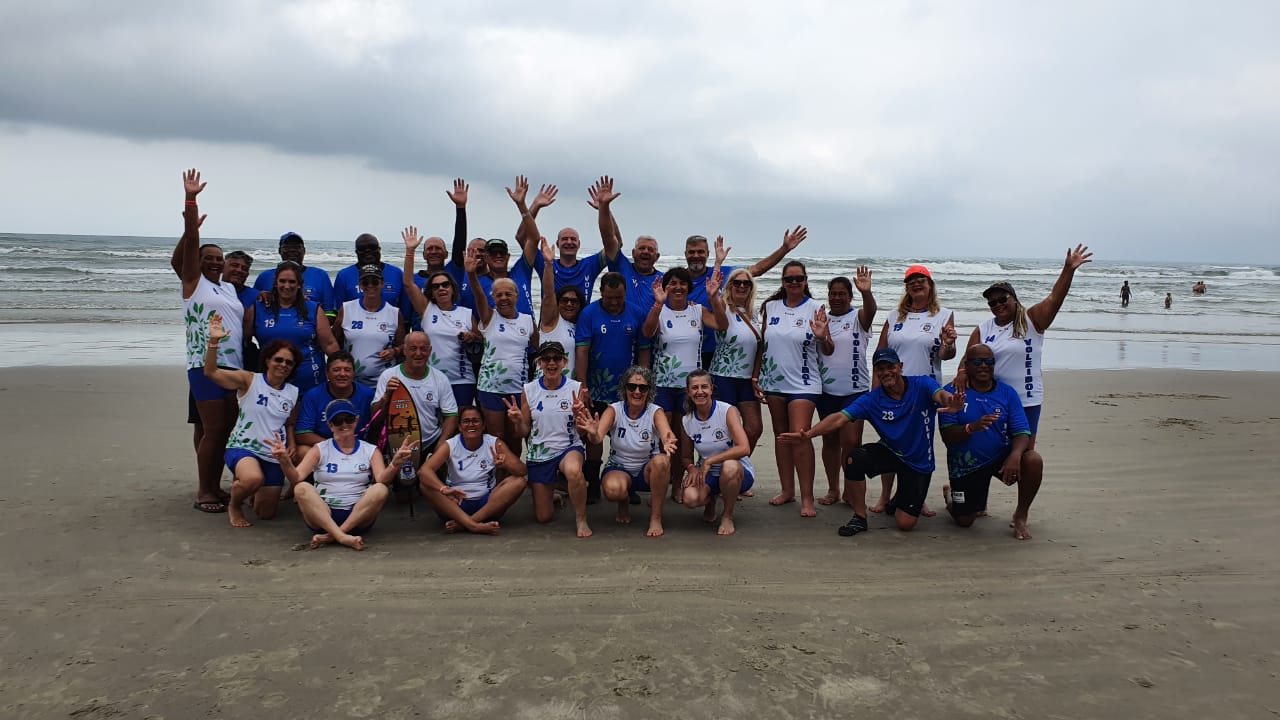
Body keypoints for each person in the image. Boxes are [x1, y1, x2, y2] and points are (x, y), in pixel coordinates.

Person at [782, 348, 963, 535]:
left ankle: (897, 500)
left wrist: (950, 401)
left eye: (890, 366)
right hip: (891, 452)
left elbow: (940, 395)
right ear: (875, 372)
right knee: (854, 458)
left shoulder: (922, 384)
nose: (886, 372)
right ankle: (859, 517)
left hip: (918, 462)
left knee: (905, 524)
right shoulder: (871, 400)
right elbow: (838, 418)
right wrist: (809, 434)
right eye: (880, 368)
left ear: (900, 367)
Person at [965, 245, 1093, 458]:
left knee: (1023, 458)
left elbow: (1054, 299)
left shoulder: (1031, 320)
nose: (997, 305)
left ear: (1014, 299)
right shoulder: (984, 328)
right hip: (991, 400)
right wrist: (961, 376)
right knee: (983, 453)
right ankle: (961, 489)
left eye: (1002, 299)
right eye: (992, 302)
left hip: (1026, 400)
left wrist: (1068, 270)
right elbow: (967, 360)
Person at [174, 169, 245, 513]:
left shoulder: (228, 287)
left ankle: (214, 487)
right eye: (209, 258)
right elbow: (187, 247)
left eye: (220, 259)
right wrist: (191, 205)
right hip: (205, 365)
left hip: (232, 365)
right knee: (216, 429)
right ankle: (205, 492)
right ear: (198, 263)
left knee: (217, 429)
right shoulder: (194, 284)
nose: (215, 263)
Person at [269, 399, 415, 550]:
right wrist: (284, 461)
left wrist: (395, 464)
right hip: (322, 515)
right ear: (330, 425)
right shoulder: (320, 449)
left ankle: (333, 536)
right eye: (338, 421)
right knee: (301, 488)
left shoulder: (370, 450)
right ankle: (342, 537)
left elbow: (382, 479)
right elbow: (296, 477)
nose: (344, 424)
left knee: (380, 489)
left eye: (349, 419)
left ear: (356, 420)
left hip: (359, 516)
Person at [872, 264, 957, 517]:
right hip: (891, 388)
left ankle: (916, 496)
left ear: (930, 285)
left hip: (924, 390)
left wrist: (949, 344)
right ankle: (885, 495)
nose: (916, 284)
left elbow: (946, 354)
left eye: (921, 280)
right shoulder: (894, 316)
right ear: (906, 288)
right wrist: (875, 391)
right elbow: (880, 354)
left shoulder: (943, 315)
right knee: (889, 441)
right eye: (911, 281)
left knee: (921, 445)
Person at [203, 312, 301, 529]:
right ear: (267, 360)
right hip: (243, 447)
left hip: (273, 454)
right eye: (278, 359)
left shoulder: (293, 392)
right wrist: (214, 341)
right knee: (252, 478)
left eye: (289, 362)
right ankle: (235, 504)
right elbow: (210, 372)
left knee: (265, 513)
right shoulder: (249, 380)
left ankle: (251, 491)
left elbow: (289, 423)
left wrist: (291, 444)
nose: (283, 365)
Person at [938, 344, 1043, 540]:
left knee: (1033, 460)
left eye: (989, 361)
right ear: (966, 365)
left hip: (999, 459)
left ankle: (1020, 514)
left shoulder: (1007, 393)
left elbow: (1022, 431)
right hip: (966, 467)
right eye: (977, 362)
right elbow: (948, 436)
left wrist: (1015, 454)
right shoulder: (951, 392)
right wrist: (972, 427)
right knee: (964, 521)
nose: (984, 366)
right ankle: (950, 496)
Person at [644, 265, 727, 499]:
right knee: (664, 436)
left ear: (689, 288)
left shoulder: (697, 310)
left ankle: (678, 486)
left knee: (684, 436)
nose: (678, 287)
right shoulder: (659, 310)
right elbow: (648, 333)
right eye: (673, 283)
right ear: (665, 287)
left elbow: (722, 325)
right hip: (662, 383)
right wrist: (658, 303)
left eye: (682, 283)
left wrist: (714, 297)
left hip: (690, 386)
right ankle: (660, 485)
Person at [574, 271, 652, 503]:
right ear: (602, 294)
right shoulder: (588, 314)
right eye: (609, 298)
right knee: (594, 437)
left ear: (625, 293)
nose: (614, 302)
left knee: (628, 437)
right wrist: (583, 386)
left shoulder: (637, 312)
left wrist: (644, 380)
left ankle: (629, 483)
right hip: (597, 389)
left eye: (618, 297)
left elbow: (644, 349)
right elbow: (582, 351)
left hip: (627, 390)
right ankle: (593, 484)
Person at [755, 260, 825, 517]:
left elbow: (827, 349)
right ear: (782, 283)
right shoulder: (770, 306)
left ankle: (807, 498)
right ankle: (787, 491)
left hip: (804, 383)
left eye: (799, 279)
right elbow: (763, 346)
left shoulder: (816, 308)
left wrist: (822, 337)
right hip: (774, 382)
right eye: (789, 279)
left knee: (799, 435)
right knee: (781, 437)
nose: (794, 283)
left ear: (805, 281)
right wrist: (756, 377)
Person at [576, 366, 679, 536]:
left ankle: (656, 517)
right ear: (625, 389)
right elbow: (597, 438)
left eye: (643, 388)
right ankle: (623, 500)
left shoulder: (655, 411)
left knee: (663, 461)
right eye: (632, 387)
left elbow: (666, 431)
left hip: (646, 469)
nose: (637, 391)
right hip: (619, 467)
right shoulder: (614, 409)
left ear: (649, 391)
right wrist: (592, 433)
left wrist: (668, 440)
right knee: (613, 490)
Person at [688, 230, 807, 369]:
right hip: (687, 350)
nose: (696, 256)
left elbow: (757, 269)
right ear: (685, 254)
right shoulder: (677, 282)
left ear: (708, 253)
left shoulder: (724, 274)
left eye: (700, 252)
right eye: (691, 252)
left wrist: (784, 249)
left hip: (716, 352)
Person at [508, 341, 591, 537]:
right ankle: (551, 494)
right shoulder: (529, 390)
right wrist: (517, 421)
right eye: (546, 359)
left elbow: (582, 433)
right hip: (540, 452)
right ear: (539, 363)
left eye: (556, 359)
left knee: (573, 471)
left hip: (568, 446)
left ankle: (581, 518)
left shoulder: (575, 387)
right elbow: (523, 431)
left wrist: (581, 418)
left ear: (564, 362)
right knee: (543, 517)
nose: (551, 363)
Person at [815, 269, 877, 506]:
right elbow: (826, 349)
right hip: (827, 391)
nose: (837, 298)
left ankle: (852, 489)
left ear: (850, 297)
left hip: (855, 390)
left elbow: (870, 311)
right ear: (828, 296)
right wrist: (821, 335)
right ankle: (834, 489)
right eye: (833, 294)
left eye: (842, 294)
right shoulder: (822, 318)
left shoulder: (858, 317)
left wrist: (867, 292)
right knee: (829, 441)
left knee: (851, 442)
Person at [467, 250, 536, 457]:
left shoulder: (527, 321)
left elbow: (538, 351)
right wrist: (471, 274)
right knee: (496, 435)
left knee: (515, 435)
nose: (504, 298)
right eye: (499, 295)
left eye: (508, 294)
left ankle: (514, 478)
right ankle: (497, 478)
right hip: (490, 387)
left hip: (518, 388)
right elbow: (478, 294)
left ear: (517, 296)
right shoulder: (489, 317)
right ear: (493, 298)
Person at [417, 405, 527, 535]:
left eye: (475, 421)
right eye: (466, 421)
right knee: (426, 485)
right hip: (455, 504)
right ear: (459, 427)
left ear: (483, 425)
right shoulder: (450, 445)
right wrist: (444, 489)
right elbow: (424, 471)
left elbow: (522, 471)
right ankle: (475, 526)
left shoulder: (494, 443)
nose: (471, 425)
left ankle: (466, 524)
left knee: (518, 482)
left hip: (487, 505)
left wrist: (505, 464)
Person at [403, 226, 478, 406]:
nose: (441, 289)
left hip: (462, 380)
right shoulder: (427, 310)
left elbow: (481, 339)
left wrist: (472, 336)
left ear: (453, 288)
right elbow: (408, 283)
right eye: (436, 287)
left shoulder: (466, 314)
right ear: (431, 292)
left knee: (461, 423)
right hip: (432, 378)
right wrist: (410, 251)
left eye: (445, 284)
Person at [245, 261, 339, 394]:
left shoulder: (313, 309)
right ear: (275, 283)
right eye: (282, 281)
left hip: (310, 384)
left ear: (299, 284)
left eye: (292, 282)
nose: (287, 286)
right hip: (270, 384)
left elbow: (329, 345)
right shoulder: (258, 308)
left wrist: (341, 369)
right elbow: (244, 341)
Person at [371, 332, 459, 472]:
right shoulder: (389, 376)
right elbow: (375, 415)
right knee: (403, 489)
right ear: (404, 350)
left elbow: (451, 415)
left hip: (430, 441)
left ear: (430, 351)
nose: (418, 353)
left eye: (423, 349)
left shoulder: (440, 378)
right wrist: (386, 396)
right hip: (397, 443)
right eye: (413, 348)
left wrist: (442, 443)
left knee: (428, 485)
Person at [680, 370, 754, 536]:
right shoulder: (687, 420)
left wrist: (710, 461)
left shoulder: (727, 411)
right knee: (690, 498)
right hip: (708, 473)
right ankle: (710, 500)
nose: (700, 391)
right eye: (695, 388)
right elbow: (685, 457)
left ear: (711, 389)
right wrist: (692, 468)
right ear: (688, 392)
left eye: (704, 387)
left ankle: (727, 515)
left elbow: (744, 448)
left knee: (729, 467)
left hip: (737, 471)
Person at [533, 176, 623, 302]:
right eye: (564, 239)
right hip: (551, 321)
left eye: (573, 239)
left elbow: (616, 244)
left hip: (582, 322)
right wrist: (535, 207)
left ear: (579, 244)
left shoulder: (589, 265)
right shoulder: (546, 263)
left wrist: (604, 209)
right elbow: (524, 239)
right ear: (557, 244)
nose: (569, 242)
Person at [708, 268, 764, 452]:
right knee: (724, 429)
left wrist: (756, 377)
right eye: (736, 283)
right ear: (729, 286)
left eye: (746, 283)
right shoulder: (723, 306)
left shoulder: (755, 312)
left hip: (747, 379)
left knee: (754, 428)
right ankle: (721, 469)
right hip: (723, 377)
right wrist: (717, 265)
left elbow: (760, 347)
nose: (741, 286)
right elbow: (714, 302)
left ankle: (737, 465)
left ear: (751, 288)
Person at [594, 179, 663, 308]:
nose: (645, 252)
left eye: (650, 250)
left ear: (657, 256)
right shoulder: (621, 267)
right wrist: (604, 208)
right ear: (633, 253)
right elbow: (609, 238)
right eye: (641, 248)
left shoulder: (664, 280)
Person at [294, 351, 375, 458]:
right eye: (336, 370)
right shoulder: (313, 395)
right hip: (325, 446)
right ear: (327, 373)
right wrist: (334, 446)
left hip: (359, 446)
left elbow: (377, 427)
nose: (342, 374)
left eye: (347, 370)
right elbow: (302, 434)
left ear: (354, 373)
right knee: (302, 451)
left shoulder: (368, 394)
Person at [335, 263, 404, 386]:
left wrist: (395, 351)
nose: (370, 286)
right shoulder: (346, 309)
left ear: (382, 283)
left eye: (375, 282)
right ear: (360, 285)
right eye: (366, 282)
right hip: (351, 383)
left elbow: (403, 346)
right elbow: (335, 341)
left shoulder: (394, 313)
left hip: (384, 382)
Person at [252, 232, 336, 316]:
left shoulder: (320, 275)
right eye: (287, 247)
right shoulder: (264, 277)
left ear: (304, 251)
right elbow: (252, 309)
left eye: (297, 247)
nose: (292, 250)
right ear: (279, 251)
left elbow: (329, 313)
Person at [537, 238, 584, 379]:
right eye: (564, 300)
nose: (569, 304)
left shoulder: (580, 326)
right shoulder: (552, 322)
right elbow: (548, 295)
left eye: (574, 301)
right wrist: (548, 264)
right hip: (545, 385)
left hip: (570, 387)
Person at [333, 233, 409, 320]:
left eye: (372, 247)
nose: (368, 251)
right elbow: (339, 311)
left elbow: (405, 311)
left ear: (379, 249)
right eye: (362, 249)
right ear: (356, 252)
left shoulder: (397, 273)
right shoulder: (344, 276)